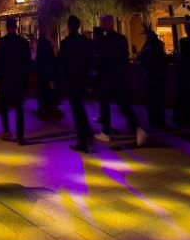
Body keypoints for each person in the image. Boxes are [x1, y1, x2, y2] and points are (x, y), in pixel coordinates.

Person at [95, 15, 147, 146]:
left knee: (104, 103)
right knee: (124, 104)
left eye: (102, 23)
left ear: (107, 23)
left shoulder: (105, 40)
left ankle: (106, 132)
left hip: (107, 77)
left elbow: (101, 59)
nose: (101, 25)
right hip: (120, 76)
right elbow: (124, 58)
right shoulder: (121, 39)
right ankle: (138, 128)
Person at [58, 15, 95, 153]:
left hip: (72, 81)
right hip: (83, 80)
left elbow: (61, 62)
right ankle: (87, 134)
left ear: (69, 27)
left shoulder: (66, 43)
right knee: (80, 107)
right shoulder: (85, 42)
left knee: (77, 110)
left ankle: (82, 141)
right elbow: (90, 62)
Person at [0, 17, 31, 145]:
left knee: (3, 105)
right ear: (16, 27)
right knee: (19, 107)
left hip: (5, 79)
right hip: (18, 78)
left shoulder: (2, 42)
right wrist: (26, 80)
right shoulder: (23, 42)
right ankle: (20, 136)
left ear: (6, 27)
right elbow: (27, 62)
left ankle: (7, 131)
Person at [138, 29, 168, 129]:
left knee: (152, 100)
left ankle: (154, 120)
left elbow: (143, 62)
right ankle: (160, 120)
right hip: (158, 77)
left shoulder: (147, 48)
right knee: (159, 99)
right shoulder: (159, 47)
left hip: (151, 77)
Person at [35, 29, 60, 119]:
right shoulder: (48, 47)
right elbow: (52, 61)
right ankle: (50, 107)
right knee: (49, 90)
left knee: (42, 90)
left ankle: (43, 108)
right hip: (48, 72)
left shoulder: (40, 47)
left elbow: (38, 61)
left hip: (42, 73)